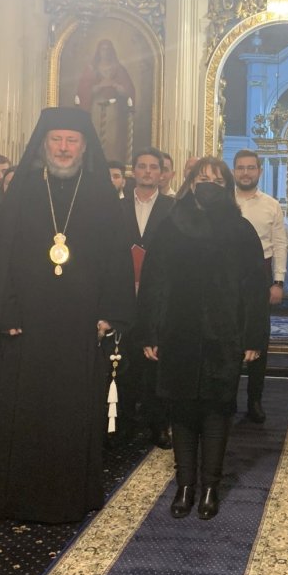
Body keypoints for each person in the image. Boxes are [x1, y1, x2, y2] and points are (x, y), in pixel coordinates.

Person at [0, 108, 135, 523]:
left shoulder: (102, 194)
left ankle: (70, 497)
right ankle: (16, 497)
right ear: (43, 144)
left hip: (80, 324)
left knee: (72, 412)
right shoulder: (25, 190)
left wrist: (111, 313)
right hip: (27, 322)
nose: (63, 148)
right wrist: (5, 307)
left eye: (71, 141)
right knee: (23, 412)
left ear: (84, 146)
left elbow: (118, 261)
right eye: (56, 140)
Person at [138, 158, 268, 521]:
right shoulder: (170, 226)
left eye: (215, 179)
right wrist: (150, 331)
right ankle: (185, 485)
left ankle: (210, 486)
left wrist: (253, 336)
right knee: (181, 411)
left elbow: (254, 288)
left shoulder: (241, 229)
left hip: (223, 335)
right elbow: (154, 281)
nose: (207, 184)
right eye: (201, 178)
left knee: (216, 412)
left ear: (226, 186)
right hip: (178, 332)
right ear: (189, 183)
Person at [121, 147, 176, 449]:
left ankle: (159, 425)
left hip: (159, 299)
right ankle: (124, 423)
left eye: (153, 167)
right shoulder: (116, 208)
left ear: (162, 173)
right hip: (123, 294)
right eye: (141, 166)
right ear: (133, 171)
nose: (147, 172)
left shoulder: (174, 208)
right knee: (124, 361)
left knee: (156, 364)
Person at [233, 149, 288, 424]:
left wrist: (278, 281)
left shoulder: (271, 205)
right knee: (228, 336)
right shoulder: (224, 202)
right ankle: (227, 397)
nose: (246, 172)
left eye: (251, 168)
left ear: (259, 171)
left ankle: (255, 398)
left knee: (258, 338)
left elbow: (279, 244)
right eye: (241, 168)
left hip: (260, 275)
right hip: (228, 276)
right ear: (234, 172)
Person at [75, 39, 135, 161]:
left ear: (111, 51)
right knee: (96, 132)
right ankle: (95, 160)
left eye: (108, 49)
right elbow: (83, 91)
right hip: (96, 106)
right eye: (103, 49)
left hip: (113, 107)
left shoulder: (118, 69)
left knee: (112, 136)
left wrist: (117, 86)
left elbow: (129, 91)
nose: (105, 52)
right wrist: (99, 86)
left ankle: (111, 161)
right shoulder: (92, 69)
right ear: (99, 51)